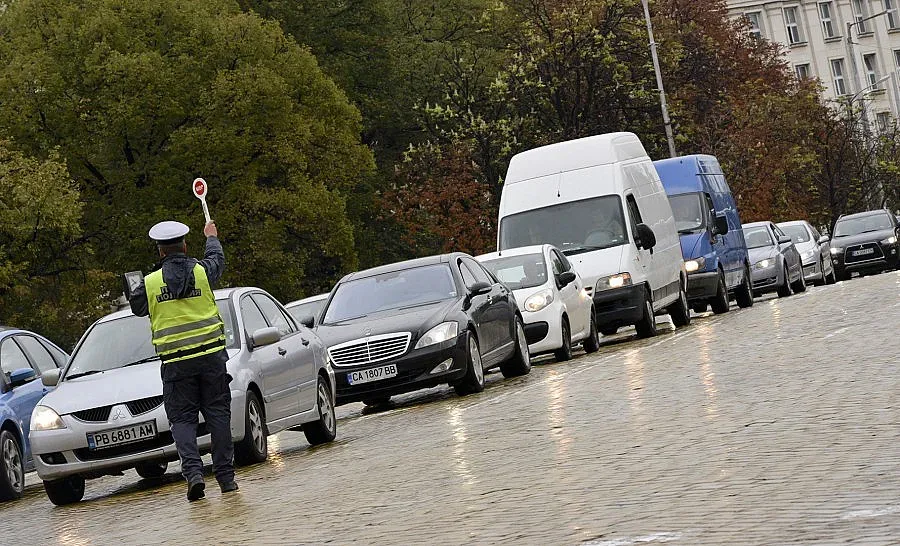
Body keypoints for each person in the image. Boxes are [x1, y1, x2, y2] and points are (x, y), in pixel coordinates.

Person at [128, 219, 237, 502]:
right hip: (212, 359)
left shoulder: (150, 283)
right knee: (218, 416)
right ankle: (226, 480)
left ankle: (194, 475)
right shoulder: (202, 272)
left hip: (176, 365)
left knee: (183, 421)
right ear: (185, 246)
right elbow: (217, 260)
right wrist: (211, 237)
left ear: (160, 251)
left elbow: (137, 306)